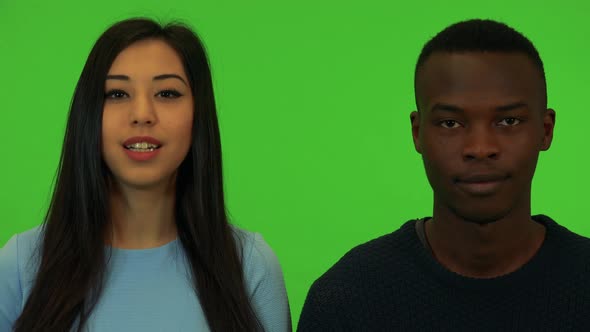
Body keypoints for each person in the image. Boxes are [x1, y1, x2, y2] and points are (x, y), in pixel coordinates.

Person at [297, 19, 590, 331]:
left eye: (508, 121)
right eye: (451, 123)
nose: (480, 148)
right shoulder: (347, 300)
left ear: (545, 131)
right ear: (417, 132)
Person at [0, 18, 290, 332]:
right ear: (88, 115)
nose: (142, 115)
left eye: (167, 93)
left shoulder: (251, 266)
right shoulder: (20, 265)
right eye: (117, 94)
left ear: (198, 115)